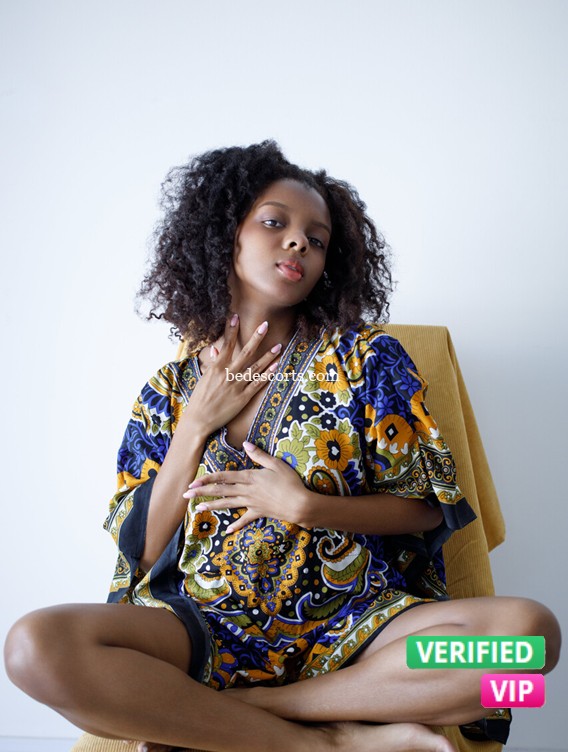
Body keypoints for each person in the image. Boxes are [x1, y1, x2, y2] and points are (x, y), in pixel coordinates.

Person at [4, 141, 561, 752]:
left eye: (316, 239)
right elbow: (143, 551)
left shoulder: (367, 361)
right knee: (34, 647)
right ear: (225, 235)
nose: (298, 242)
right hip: (201, 630)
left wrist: (308, 508)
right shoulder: (168, 390)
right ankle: (327, 744)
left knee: (526, 647)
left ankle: (258, 710)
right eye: (275, 222)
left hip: (358, 630)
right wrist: (195, 425)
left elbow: (428, 506)